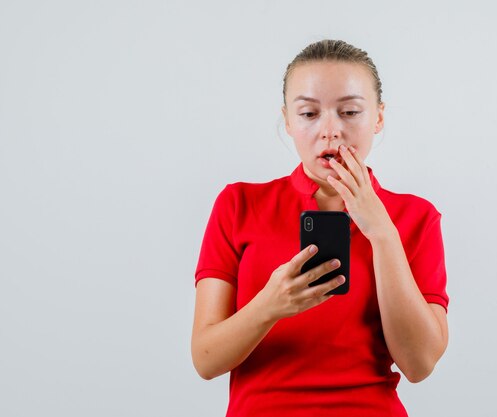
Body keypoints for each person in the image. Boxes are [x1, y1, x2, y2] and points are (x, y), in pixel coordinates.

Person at [192, 39, 449, 416]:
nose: (330, 131)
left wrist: (382, 232)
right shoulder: (237, 205)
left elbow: (420, 364)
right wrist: (270, 305)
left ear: (378, 117)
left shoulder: (416, 216)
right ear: (288, 122)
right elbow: (205, 360)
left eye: (349, 111)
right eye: (309, 114)